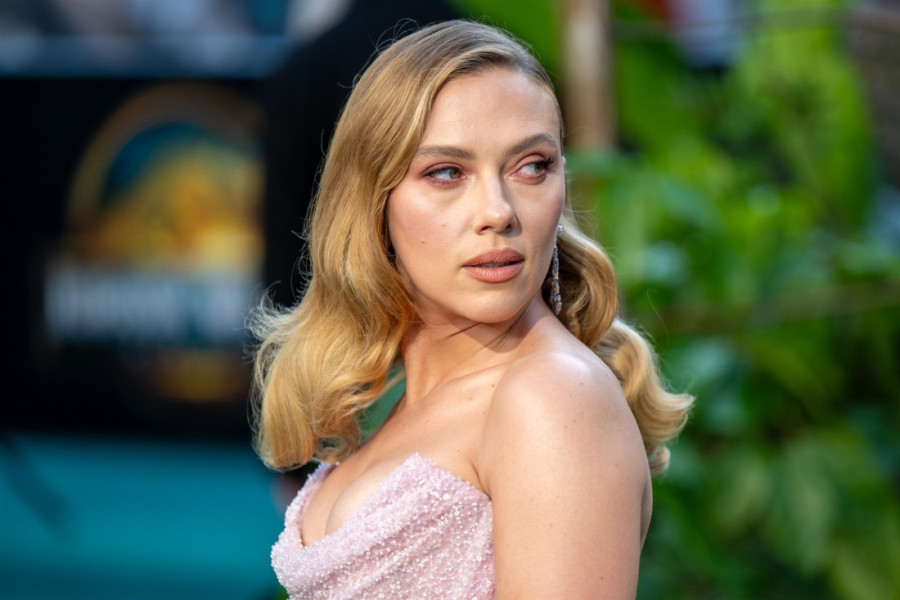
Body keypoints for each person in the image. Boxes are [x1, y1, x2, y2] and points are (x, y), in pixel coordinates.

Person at [251, 20, 693, 599]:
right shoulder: (402, 398)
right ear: (374, 201)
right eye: (447, 173)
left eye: (531, 165)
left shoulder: (552, 395)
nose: (498, 211)